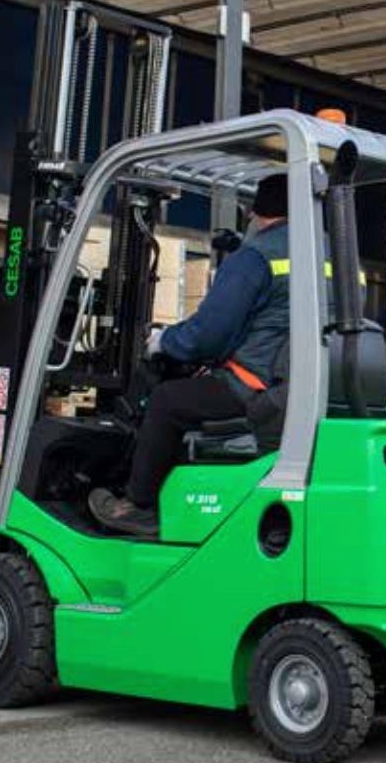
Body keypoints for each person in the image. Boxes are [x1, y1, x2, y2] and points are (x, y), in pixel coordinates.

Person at [88, 173, 291, 536]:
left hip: (254, 386)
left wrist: (164, 342)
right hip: (290, 383)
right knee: (194, 388)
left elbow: (208, 335)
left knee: (166, 400)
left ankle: (138, 504)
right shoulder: (325, 253)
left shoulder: (256, 257)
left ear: (259, 214)